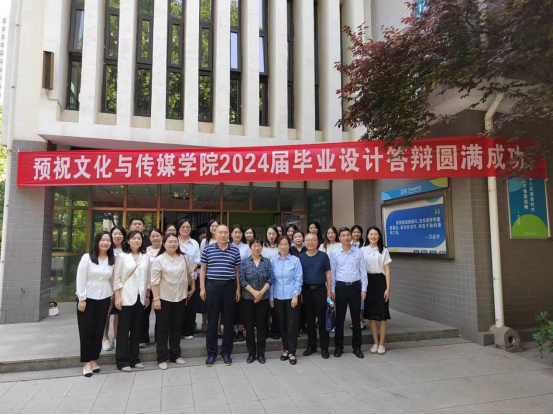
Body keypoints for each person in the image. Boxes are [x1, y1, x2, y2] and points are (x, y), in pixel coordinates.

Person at [200, 225, 242, 367]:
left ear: (229, 234)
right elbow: (203, 269)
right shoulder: (208, 249)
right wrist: (202, 288)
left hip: (229, 287)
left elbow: (237, 271)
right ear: (215, 234)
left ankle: (226, 353)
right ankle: (211, 353)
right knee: (212, 320)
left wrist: (238, 288)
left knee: (229, 321)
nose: (223, 235)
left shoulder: (234, 250)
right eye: (220, 232)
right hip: (213, 287)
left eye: (225, 232)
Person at [151, 234, 194, 370]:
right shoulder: (159, 260)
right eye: (169, 242)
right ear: (164, 244)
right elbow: (154, 282)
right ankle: (162, 358)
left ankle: (175, 355)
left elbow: (189, 274)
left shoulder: (184, 257)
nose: (173, 244)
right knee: (163, 329)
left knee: (177, 327)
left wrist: (192, 288)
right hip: (164, 298)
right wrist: (156, 299)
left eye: (175, 241)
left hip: (180, 298)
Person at [76, 232, 116, 377]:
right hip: (87, 299)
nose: (105, 243)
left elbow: (112, 280)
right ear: (97, 241)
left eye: (108, 240)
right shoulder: (87, 258)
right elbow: (80, 278)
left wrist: (112, 297)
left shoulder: (112, 260)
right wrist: (81, 298)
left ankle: (94, 359)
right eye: (102, 240)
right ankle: (87, 362)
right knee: (86, 330)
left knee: (99, 330)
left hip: (104, 298)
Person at [113, 231, 151, 372]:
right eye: (133, 238)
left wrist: (147, 296)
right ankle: (122, 361)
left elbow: (148, 278)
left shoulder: (145, 257)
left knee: (136, 330)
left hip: (140, 298)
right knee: (123, 330)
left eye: (139, 238)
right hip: (125, 297)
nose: (136, 240)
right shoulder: (122, 257)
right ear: (128, 241)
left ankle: (135, 359)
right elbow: (116, 279)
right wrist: (117, 296)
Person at [330, 227, 367, 359]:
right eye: (343, 235)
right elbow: (332, 273)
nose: (346, 237)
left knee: (356, 318)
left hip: (355, 287)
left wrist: (364, 289)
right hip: (340, 287)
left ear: (351, 237)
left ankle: (357, 347)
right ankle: (338, 347)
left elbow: (363, 272)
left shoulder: (358, 251)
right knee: (339, 319)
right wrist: (332, 290)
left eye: (348, 235)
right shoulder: (335, 252)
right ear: (339, 238)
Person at [270, 236, 303, 366]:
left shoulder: (295, 260)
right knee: (282, 324)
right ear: (277, 246)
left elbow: (299, 279)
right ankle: (285, 349)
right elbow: (271, 281)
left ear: (289, 245)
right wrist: (271, 298)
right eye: (280, 244)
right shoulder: (273, 261)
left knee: (292, 324)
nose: (283, 246)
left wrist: (296, 295)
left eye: (285, 244)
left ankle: (292, 351)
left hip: (291, 297)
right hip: (278, 297)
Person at [240, 238, 273, 365]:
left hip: (263, 299)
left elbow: (270, 279)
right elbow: (242, 279)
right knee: (249, 326)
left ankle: (261, 354)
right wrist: (254, 292)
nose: (257, 248)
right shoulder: (244, 262)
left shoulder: (267, 262)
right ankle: (251, 353)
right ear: (250, 247)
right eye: (254, 245)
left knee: (261, 326)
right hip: (248, 299)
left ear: (262, 247)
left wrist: (261, 293)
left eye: (259, 245)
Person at [299, 233, 332, 360]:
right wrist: (300, 293)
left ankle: (324, 348)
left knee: (322, 320)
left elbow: (328, 273)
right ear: (304, 242)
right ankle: (311, 346)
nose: (310, 242)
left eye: (313, 240)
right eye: (308, 240)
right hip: (306, 291)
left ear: (317, 241)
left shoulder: (323, 256)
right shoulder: (301, 257)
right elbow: (299, 276)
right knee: (310, 320)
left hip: (321, 290)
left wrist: (330, 290)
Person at [361, 227, 392, 356]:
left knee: (382, 314)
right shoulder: (362, 250)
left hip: (380, 281)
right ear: (367, 236)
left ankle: (382, 343)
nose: (373, 236)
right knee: (371, 315)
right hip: (367, 282)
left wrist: (388, 288)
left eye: (376, 234)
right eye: (371, 234)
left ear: (379, 236)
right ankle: (375, 342)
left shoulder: (384, 250)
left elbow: (387, 270)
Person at [103, 226, 128, 352]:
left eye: (120, 234)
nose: (118, 236)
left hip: (122, 286)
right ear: (111, 235)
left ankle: (116, 337)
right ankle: (105, 338)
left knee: (119, 313)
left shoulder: (127, 250)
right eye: (115, 233)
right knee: (106, 313)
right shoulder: (106, 249)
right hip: (107, 285)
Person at [177, 219, 202, 340]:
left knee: (191, 306)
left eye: (188, 227)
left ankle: (188, 332)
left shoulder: (195, 243)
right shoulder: (174, 241)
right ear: (178, 229)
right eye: (183, 227)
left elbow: (198, 259)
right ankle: (177, 331)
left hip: (192, 278)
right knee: (178, 306)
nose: (185, 229)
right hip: (176, 279)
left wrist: (191, 270)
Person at [140, 228, 163, 348]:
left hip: (162, 286)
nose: (155, 238)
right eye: (153, 236)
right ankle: (143, 338)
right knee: (144, 312)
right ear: (149, 238)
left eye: (157, 235)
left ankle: (160, 338)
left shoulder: (166, 250)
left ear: (162, 237)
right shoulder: (145, 251)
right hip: (147, 286)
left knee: (161, 313)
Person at [231, 225, 250, 343]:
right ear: (231, 234)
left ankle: (240, 330)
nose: (237, 234)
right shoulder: (228, 246)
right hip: (230, 278)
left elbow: (248, 262)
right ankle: (232, 329)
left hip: (244, 279)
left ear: (242, 234)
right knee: (231, 305)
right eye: (235, 232)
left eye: (239, 232)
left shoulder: (247, 247)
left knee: (242, 306)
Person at [262, 225, 280, 340]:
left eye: (273, 234)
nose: (271, 236)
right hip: (264, 280)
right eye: (269, 234)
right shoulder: (263, 247)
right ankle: (264, 330)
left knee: (275, 308)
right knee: (264, 308)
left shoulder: (280, 246)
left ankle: (275, 330)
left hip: (278, 281)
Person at [351, 225, 367, 330]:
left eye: (358, 232)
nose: (356, 234)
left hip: (362, 276)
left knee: (361, 301)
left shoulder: (365, 245)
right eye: (354, 232)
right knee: (353, 301)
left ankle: (362, 320)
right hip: (352, 276)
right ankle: (355, 321)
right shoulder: (349, 245)